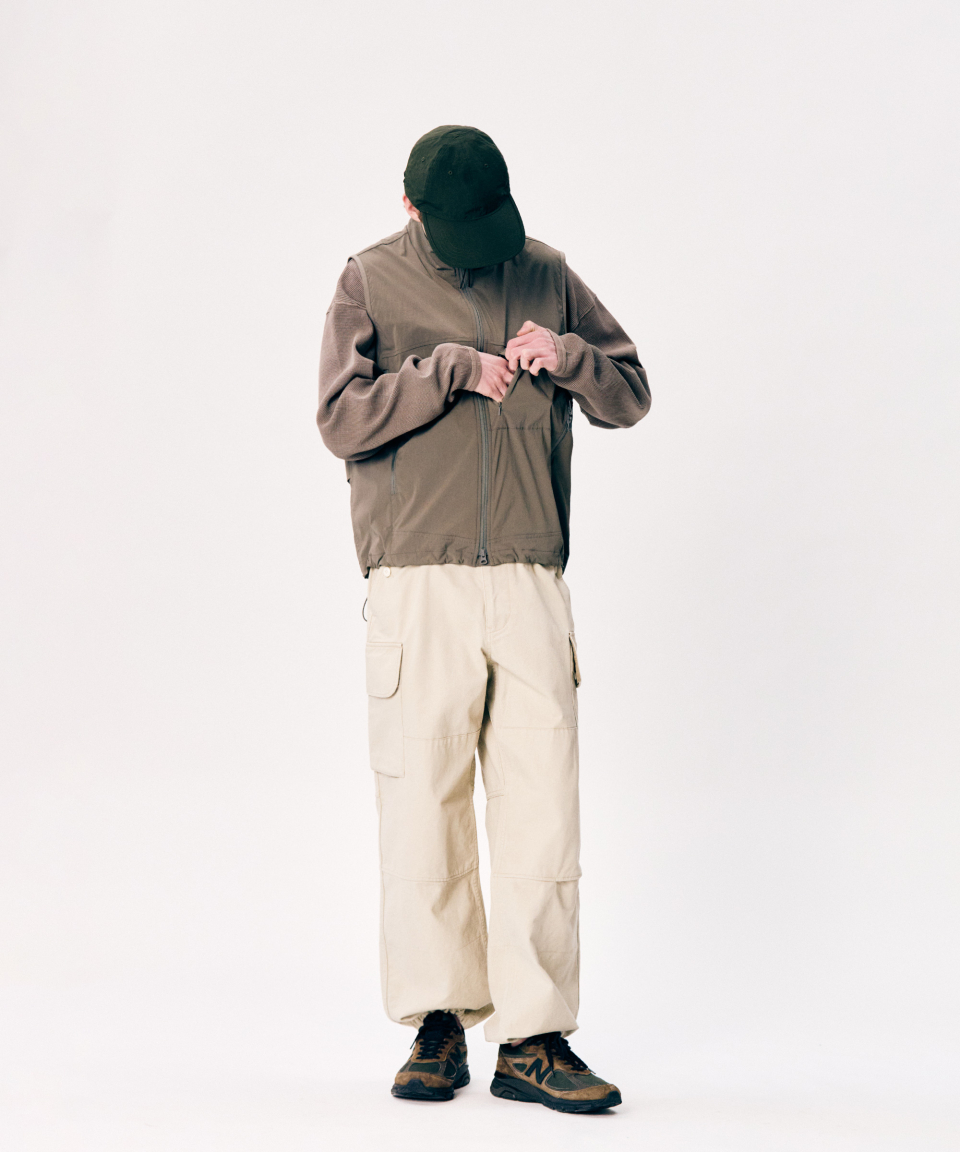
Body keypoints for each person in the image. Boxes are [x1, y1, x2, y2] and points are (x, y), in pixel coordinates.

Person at [317, 125, 650, 1113]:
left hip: (529, 581)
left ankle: (535, 1040)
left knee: (544, 814)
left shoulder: (544, 271)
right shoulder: (369, 281)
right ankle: (437, 1024)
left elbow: (630, 396)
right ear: (411, 209)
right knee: (424, 810)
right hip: (418, 583)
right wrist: (450, 371)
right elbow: (340, 419)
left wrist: (571, 355)